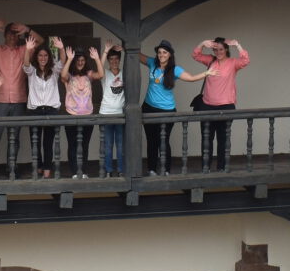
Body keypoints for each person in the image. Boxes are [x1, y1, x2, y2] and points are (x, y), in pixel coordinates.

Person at [136, 40, 208, 174]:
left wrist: (207, 73)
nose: (161, 55)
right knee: (151, 141)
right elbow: (136, 55)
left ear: (170, 55)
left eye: (164, 52)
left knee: (163, 141)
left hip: (167, 110)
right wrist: (123, 48)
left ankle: (166, 170)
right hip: (149, 108)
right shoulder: (152, 63)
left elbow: (191, 78)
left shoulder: (175, 69)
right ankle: (152, 169)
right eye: (159, 52)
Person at [0, 20, 40, 173]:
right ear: (5, 35)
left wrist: (27, 28)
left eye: (15, 33)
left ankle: (11, 167)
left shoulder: (24, 50)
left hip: (19, 100)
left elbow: (40, 41)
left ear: (19, 36)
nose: (13, 36)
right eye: (10, 33)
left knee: (14, 139)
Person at [193, 36, 251, 171]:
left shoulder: (233, 63)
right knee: (206, 140)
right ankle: (205, 168)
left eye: (221, 49)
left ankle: (221, 168)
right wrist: (202, 42)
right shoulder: (210, 60)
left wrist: (237, 45)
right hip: (207, 105)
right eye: (215, 49)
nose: (218, 52)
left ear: (226, 50)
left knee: (223, 140)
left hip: (226, 106)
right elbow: (195, 55)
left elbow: (246, 60)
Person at [56, 40, 102, 178]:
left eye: (82, 60)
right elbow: (62, 75)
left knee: (85, 145)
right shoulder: (69, 76)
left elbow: (100, 74)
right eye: (78, 60)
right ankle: (75, 172)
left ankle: (84, 171)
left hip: (87, 115)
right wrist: (69, 59)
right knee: (73, 145)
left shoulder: (88, 74)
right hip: (71, 115)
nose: (80, 62)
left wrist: (98, 58)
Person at [25, 43, 63, 178]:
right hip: (34, 110)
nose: (43, 58)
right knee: (35, 141)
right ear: (37, 56)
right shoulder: (32, 71)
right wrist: (27, 50)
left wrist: (61, 48)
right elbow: (25, 65)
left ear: (49, 57)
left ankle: (47, 168)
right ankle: (39, 166)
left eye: (46, 55)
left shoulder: (54, 70)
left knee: (48, 142)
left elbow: (62, 62)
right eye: (40, 55)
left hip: (51, 110)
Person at [99, 48, 127, 176]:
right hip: (106, 113)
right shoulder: (104, 73)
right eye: (111, 59)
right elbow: (99, 65)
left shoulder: (124, 73)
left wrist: (125, 49)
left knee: (121, 146)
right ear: (108, 61)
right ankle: (109, 170)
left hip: (121, 114)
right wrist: (105, 52)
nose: (114, 61)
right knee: (108, 145)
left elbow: (131, 61)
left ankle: (121, 170)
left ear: (119, 60)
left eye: (116, 59)